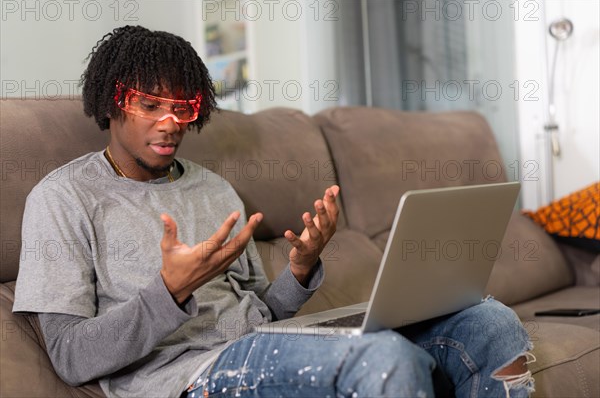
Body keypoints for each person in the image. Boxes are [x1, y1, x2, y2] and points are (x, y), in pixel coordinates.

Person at [13, 25, 535, 398]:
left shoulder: (213, 189)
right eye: (150, 105)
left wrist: (301, 269)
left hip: (265, 345)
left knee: (489, 322)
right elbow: (70, 357)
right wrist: (168, 293)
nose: (170, 122)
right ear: (110, 103)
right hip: (186, 376)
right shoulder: (63, 200)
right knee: (384, 361)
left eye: (183, 107)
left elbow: (262, 312)